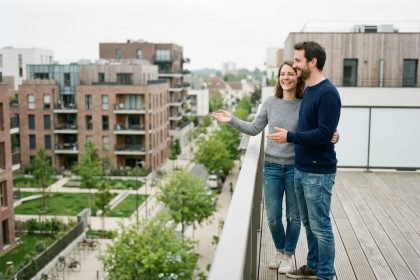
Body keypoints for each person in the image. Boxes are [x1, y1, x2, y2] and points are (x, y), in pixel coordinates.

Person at [213, 61, 305, 274]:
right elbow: (254, 129)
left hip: (294, 168)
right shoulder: (270, 102)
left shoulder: (304, 104)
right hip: (272, 167)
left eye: (290, 74)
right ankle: (280, 250)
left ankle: (288, 256)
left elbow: (312, 131)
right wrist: (231, 120)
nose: (286, 78)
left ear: (297, 77)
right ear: (278, 78)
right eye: (282, 74)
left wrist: (332, 133)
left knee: (294, 217)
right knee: (272, 216)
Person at [268, 41, 341, 280]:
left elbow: (323, 132)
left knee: (321, 227)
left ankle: (325, 275)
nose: (295, 65)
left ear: (313, 62)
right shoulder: (309, 90)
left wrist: (290, 136)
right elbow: (321, 128)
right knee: (309, 225)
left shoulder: (328, 92)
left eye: (298, 60)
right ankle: (312, 266)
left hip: (318, 173)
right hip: (301, 168)